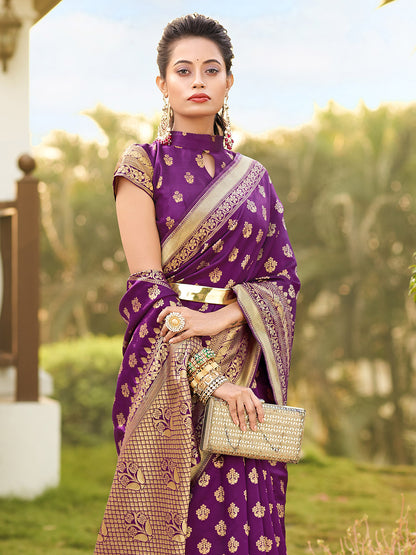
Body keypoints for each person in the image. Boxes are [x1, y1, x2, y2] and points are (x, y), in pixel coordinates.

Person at [95, 13, 300, 555]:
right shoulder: (142, 165)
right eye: (183, 71)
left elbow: (282, 280)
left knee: (245, 523)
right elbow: (147, 287)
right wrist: (211, 379)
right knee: (179, 526)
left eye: (211, 70)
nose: (198, 81)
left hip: (246, 365)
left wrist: (222, 318)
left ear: (229, 81)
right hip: (167, 361)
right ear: (162, 83)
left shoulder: (255, 178)